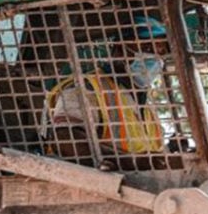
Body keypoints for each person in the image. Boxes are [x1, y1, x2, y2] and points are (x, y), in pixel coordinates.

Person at [42, 15, 168, 170]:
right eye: (147, 48)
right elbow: (65, 140)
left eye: (161, 51)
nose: (155, 57)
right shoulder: (87, 89)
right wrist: (131, 162)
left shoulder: (148, 110)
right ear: (119, 50)